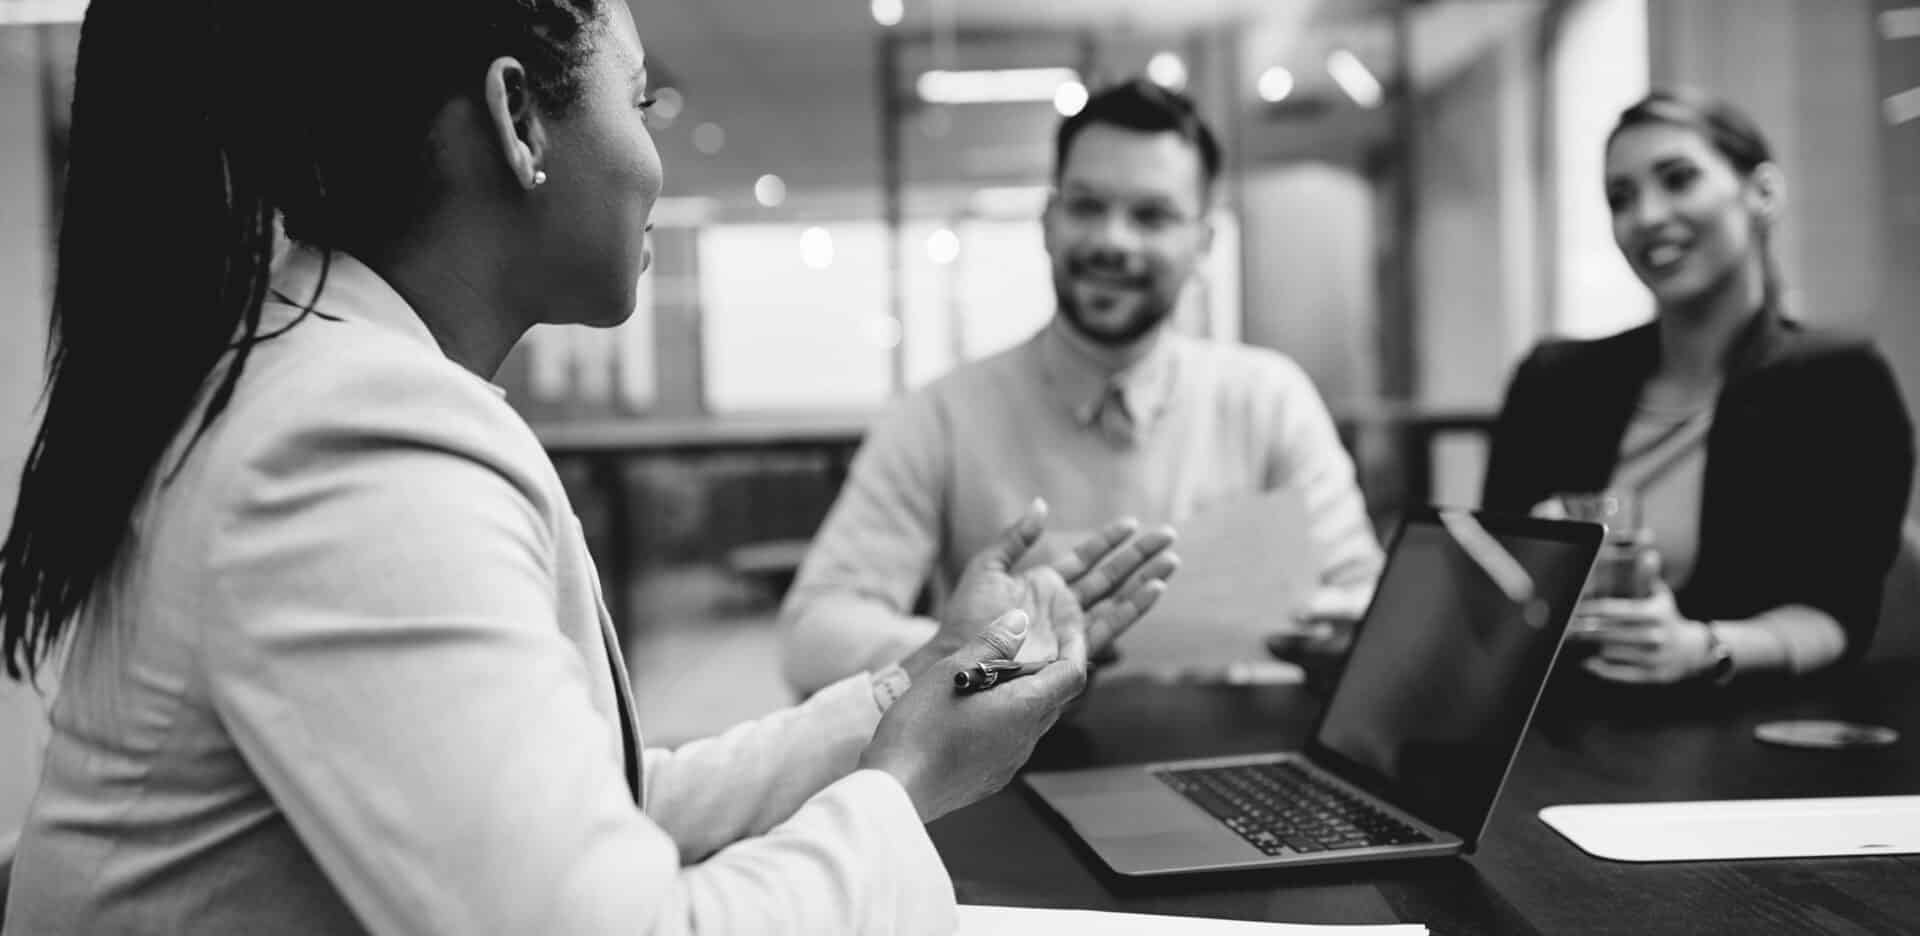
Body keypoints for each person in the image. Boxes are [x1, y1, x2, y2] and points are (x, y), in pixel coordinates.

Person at [0, 2, 1180, 932]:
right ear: (520, 121)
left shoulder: (327, 384)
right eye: (643, 100)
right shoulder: (354, 447)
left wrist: (916, 682)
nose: (659, 158)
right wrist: (909, 780)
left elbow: (608, 812)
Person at [779, 79, 1383, 694]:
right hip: (1000, 769)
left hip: (1233, 757)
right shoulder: (940, 416)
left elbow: (1365, 603)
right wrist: (979, 654)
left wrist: (1328, 631)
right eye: (1087, 206)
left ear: (1203, 245)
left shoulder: (1269, 400)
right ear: (1048, 221)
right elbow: (813, 635)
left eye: (1151, 215)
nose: (1112, 241)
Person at [1482, 89, 1915, 688]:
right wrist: (1536, 557)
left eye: (1678, 180)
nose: (1647, 216)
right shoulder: (1554, 382)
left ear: (1762, 193)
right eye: (1621, 198)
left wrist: (1701, 648)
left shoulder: (1839, 382)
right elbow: (1483, 590)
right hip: (1562, 721)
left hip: (1744, 731)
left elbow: (1838, 614)